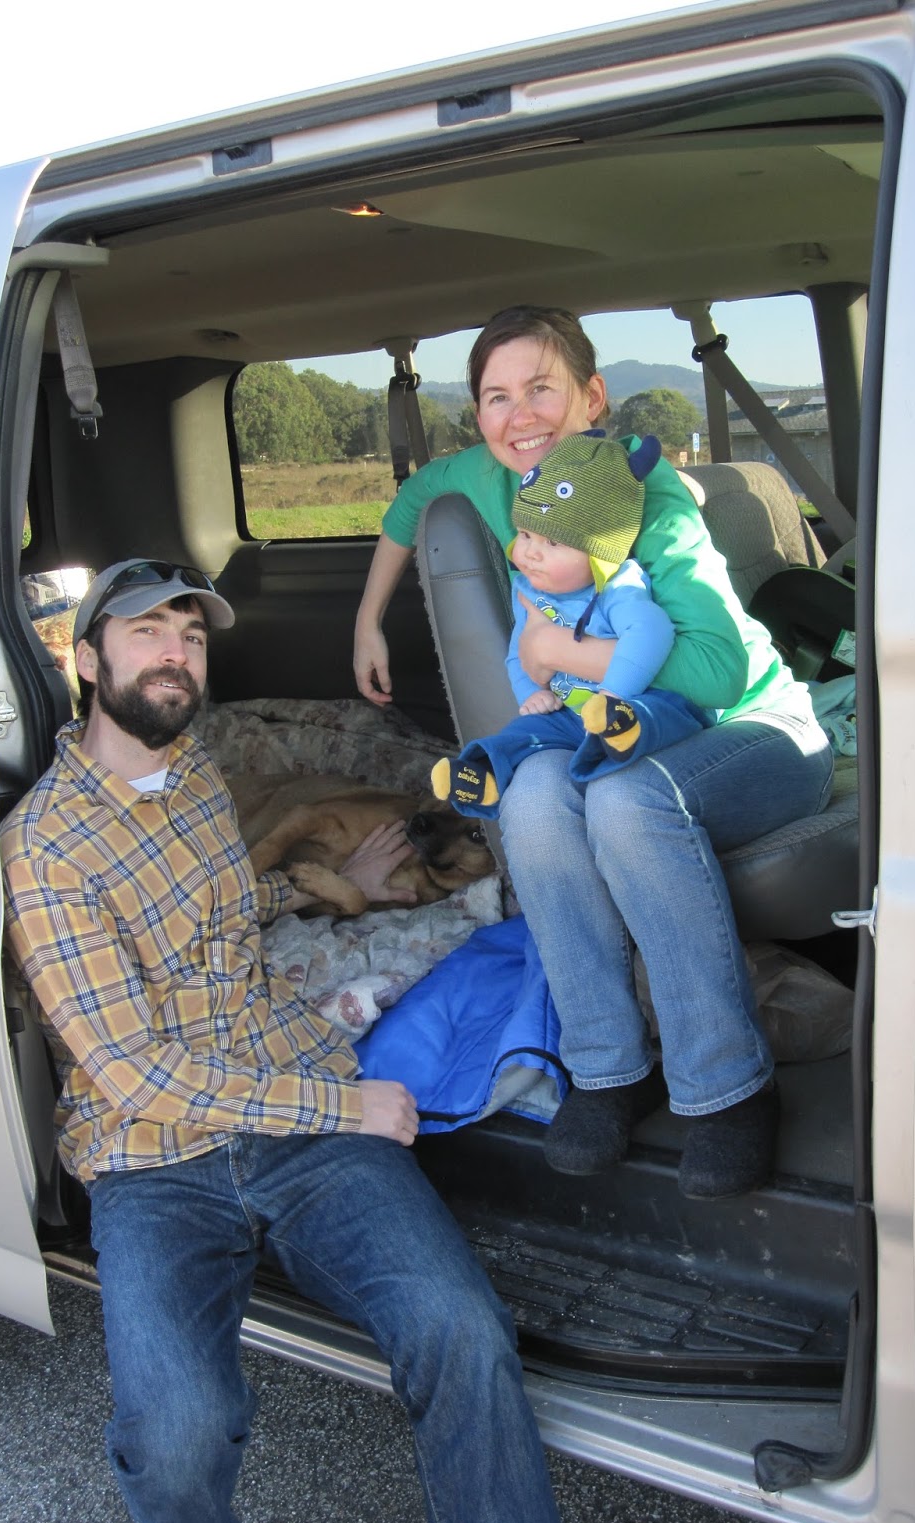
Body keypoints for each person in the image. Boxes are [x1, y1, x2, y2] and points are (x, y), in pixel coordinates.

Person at [1, 558, 582, 1523]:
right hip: (156, 1160)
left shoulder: (194, 779)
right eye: (146, 634)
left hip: (292, 1119)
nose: (175, 655)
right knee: (175, 1436)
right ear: (87, 660)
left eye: (190, 636)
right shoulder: (44, 847)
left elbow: (212, 921)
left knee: (464, 1334)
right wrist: (343, 1103)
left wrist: (334, 889)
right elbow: (133, 1067)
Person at [354, 306, 833, 1195]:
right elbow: (412, 501)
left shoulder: (650, 503)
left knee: (625, 800)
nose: (519, 414)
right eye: (497, 397)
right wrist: (367, 620)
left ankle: (726, 1086)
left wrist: (556, 656)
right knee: (532, 795)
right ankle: (609, 1067)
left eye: (541, 388)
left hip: (757, 736)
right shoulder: (513, 491)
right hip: (624, 740)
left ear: (591, 397)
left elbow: (719, 669)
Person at [430, 429, 712, 815]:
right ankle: (485, 774)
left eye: (553, 543)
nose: (530, 553)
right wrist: (530, 692)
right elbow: (518, 653)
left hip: (632, 701)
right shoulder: (529, 591)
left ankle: (622, 730)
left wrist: (614, 692)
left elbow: (652, 632)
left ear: (599, 553)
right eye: (526, 534)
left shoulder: (617, 587)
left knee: (664, 710)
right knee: (522, 735)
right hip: (571, 714)